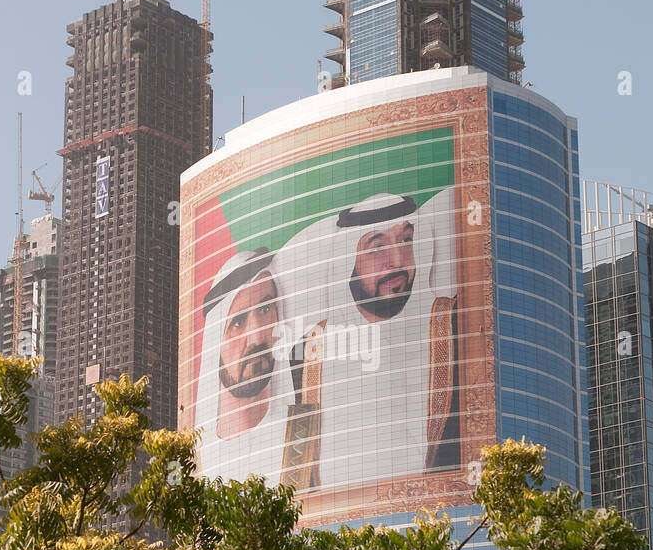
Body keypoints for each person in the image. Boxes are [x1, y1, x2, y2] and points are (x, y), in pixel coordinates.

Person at [300, 191, 458, 490]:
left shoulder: (453, 325)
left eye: (406, 241)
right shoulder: (308, 354)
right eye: (377, 248)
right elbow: (297, 474)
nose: (397, 261)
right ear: (347, 260)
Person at [194, 248, 298, 485]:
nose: (257, 337)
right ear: (215, 343)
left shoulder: (301, 436)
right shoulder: (200, 461)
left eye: (265, 310)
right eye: (238, 322)